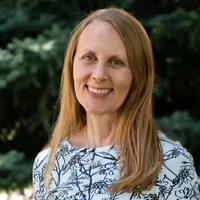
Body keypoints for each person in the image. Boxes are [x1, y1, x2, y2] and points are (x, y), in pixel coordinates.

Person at [32, 7, 200, 200]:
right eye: (89, 58)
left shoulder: (171, 164)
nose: (99, 75)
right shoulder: (48, 164)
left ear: (139, 76)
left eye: (116, 62)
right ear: (71, 65)